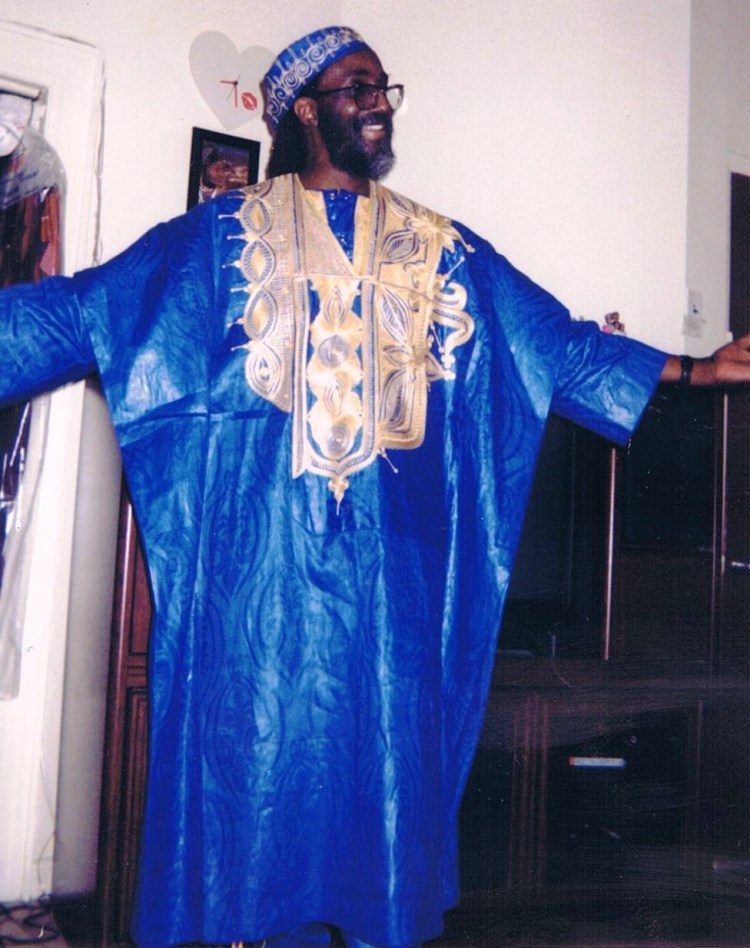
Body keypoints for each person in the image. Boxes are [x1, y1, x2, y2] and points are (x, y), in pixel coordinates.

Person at [1, 24, 750, 948]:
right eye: (355, 86)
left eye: (382, 86)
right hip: (258, 591)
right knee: (253, 776)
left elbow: (553, 346)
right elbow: (80, 313)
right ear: (302, 111)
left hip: (394, 594)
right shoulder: (211, 242)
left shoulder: (444, 251)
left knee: (382, 790)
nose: (377, 102)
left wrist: (695, 370)